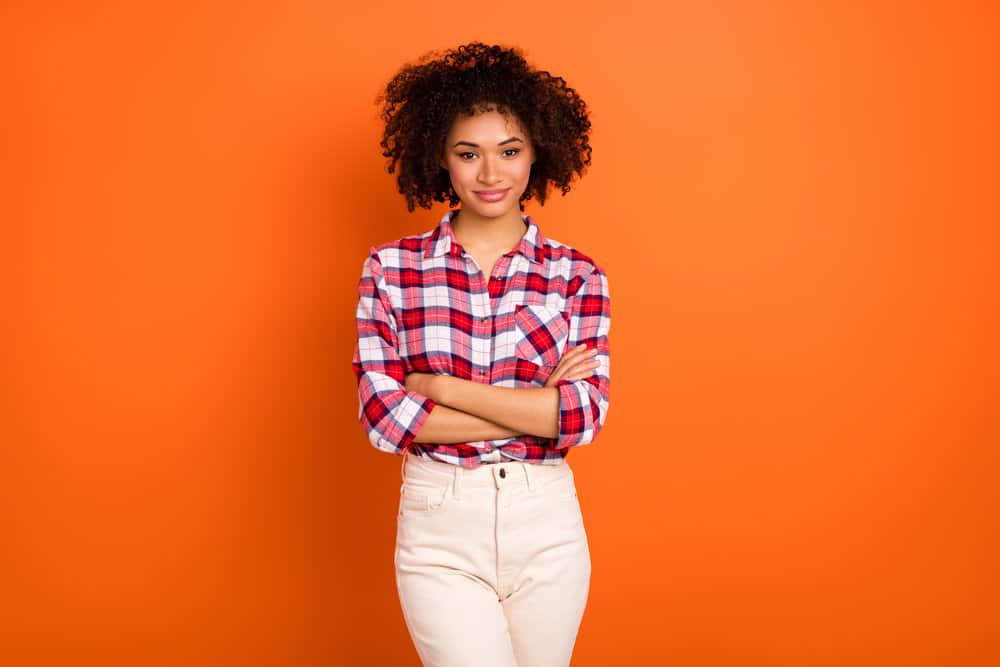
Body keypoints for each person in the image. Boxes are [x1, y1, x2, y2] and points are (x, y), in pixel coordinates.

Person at [351, 42, 611, 667]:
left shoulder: (576, 275)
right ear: (440, 159)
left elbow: (582, 418)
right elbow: (385, 422)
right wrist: (535, 408)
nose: (490, 174)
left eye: (509, 151)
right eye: (468, 154)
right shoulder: (392, 270)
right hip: (440, 521)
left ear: (537, 154)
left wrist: (441, 390)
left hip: (547, 524)